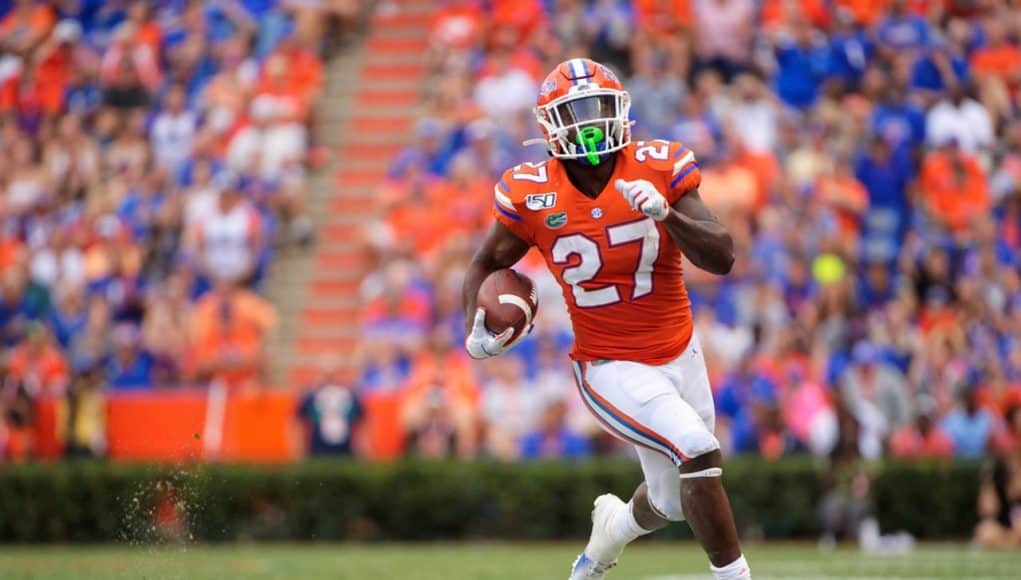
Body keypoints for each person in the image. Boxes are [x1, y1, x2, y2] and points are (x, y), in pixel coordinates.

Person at [461, 59, 750, 580]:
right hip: (610, 364)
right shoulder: (532, 192)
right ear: (550, 126)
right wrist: (473, 328)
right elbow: (487, 263)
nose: (590, 124)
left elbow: (723, 257)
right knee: (700, 451)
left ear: (621, 112)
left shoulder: (660, 166)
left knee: (671, 500)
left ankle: (610, 530)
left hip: (682, 351)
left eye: (599, 109)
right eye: (575, 112)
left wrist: (668, 215)